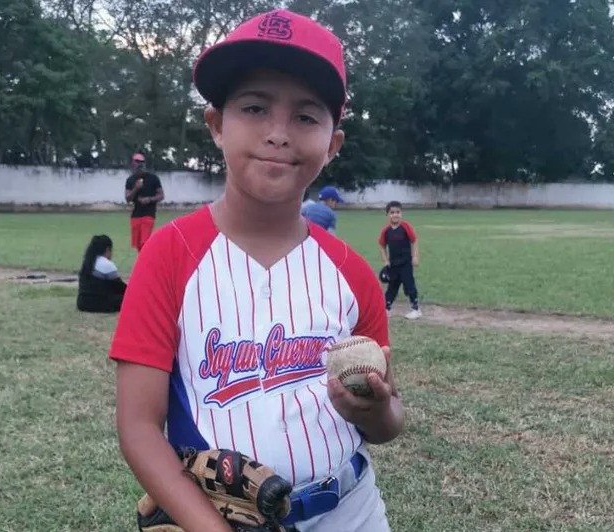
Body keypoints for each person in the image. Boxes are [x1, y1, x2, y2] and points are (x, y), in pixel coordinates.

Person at [108, 9, 404, 532]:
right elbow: (138, 427)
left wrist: (373, 411)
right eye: (254, 107)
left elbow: (388, 424)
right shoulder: (171, 254)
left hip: (352, 510)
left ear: (333, 144)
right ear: (217, 125)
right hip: (225, 516)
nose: (277, 134)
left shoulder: (351, 273)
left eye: (306, 117)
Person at [378, 201, 421, 319]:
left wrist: (415, 256)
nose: (395, 215)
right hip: (393, 264)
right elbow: (382, 245)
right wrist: (385, 261)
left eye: (398, 212)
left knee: (409, 285)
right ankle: (386, 308)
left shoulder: (405, 227)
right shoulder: (386, 230)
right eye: (392, 212)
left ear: (401, 213)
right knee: (392, 287)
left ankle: (415, 308)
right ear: (387, 214)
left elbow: (414, 241)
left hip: (406, 263)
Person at [124, 152, 165, 252]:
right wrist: (136, 188)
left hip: (148, 215)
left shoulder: (153, 178)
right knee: (138, 245)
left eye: (142, 162)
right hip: (136, 216)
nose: (140, 164)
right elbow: (128, 199)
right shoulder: (130, 180)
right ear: (133, 164)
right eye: (137, 162)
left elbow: (161, 195)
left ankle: (147, 264)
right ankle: (143, 264)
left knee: (144, 243)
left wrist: (150, 199)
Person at [76, 234, 127, 313]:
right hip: (100, 304)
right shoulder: (106, 264)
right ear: (107, 249)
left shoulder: (87, 263)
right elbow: (119, 287)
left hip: (82, 303)